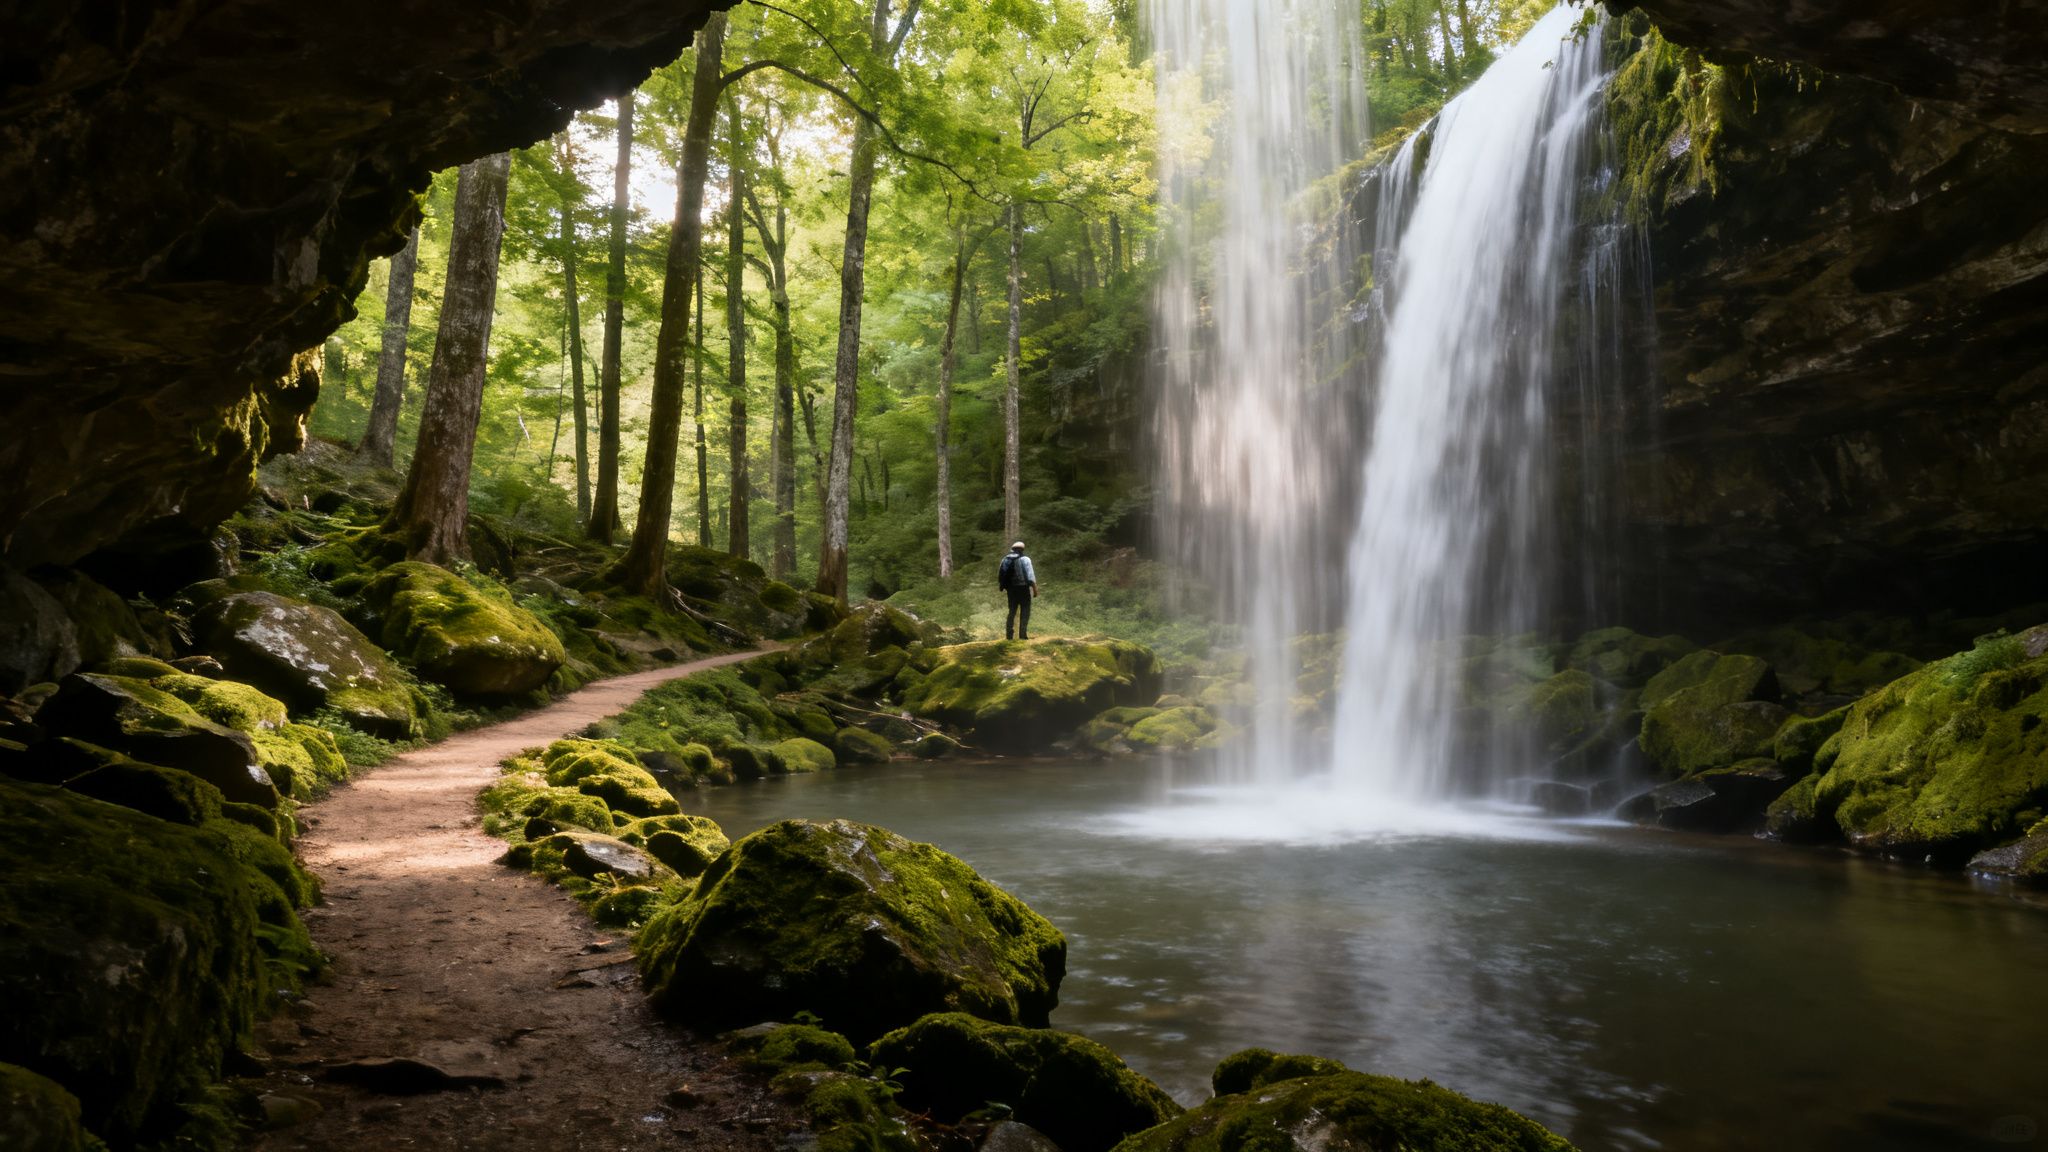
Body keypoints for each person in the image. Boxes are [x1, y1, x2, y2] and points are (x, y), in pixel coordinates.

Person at [998, 541, 1038, 640]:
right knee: (1025, 610)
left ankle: (1009, 635)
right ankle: (1023, 635)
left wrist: (1004, 587)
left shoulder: (1005, 559)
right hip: (1023, 588)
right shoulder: (1025, 559)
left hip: (1011, 590)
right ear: (1022, 549)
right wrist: (1035, 589)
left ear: (1012, 549)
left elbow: (1000, 575)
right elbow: (1030, 576)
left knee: (1012, 611)